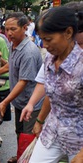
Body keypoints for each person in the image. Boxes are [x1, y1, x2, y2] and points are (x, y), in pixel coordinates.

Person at [19, 6, 83, 163]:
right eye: (42, 39)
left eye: (48, 39)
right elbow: (51, 91)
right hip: (52, 131)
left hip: (78, 138)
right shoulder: (50, 58)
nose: (44, 45)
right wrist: (39, 119)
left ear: (68, 33)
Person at [0, 12, 43, 163]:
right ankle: (21, 156)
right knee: (19, 132)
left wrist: (4, 102)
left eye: (13, 29)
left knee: (28, 136)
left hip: (32, 103)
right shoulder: (13, 44)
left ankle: (27, 159)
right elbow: (11, 66)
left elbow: (23, 81)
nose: (9, 33)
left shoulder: (28, 51)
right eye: (7, 29)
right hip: (20, 101)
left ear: (24, 28)